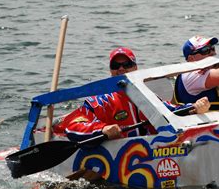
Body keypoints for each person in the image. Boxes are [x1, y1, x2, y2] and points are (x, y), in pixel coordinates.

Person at [54, 47, 210, 141]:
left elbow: (169, 110)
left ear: (135, 68)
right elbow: (73, 126)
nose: (121, 69)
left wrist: (194, 108)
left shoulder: (147, 96)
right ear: (111, 71)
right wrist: (103, 130)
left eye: (127, 64)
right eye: (116, 65)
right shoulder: (100, 101)